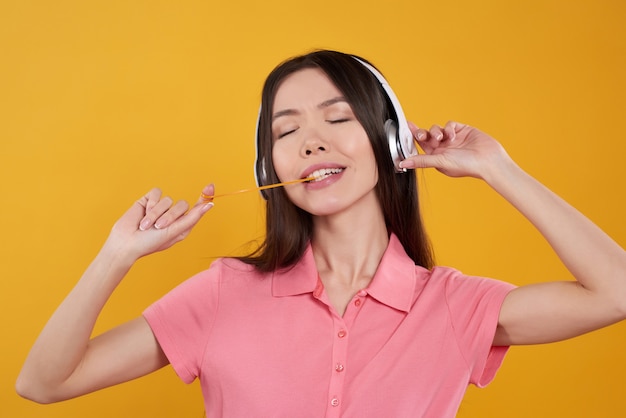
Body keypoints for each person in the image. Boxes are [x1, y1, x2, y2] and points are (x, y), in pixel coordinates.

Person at [16, 50, 626, 417]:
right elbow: (43, 383)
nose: (311, 141)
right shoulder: (223, 293)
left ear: (388, 142)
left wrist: (499, 168)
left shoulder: (452, 305)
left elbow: (616, 291)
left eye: (337, 118)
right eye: (287, 131)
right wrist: (116, 256)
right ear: (268, 168)